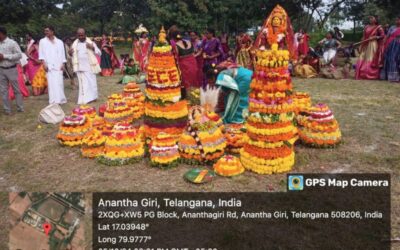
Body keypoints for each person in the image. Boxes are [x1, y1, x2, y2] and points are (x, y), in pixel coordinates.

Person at [69, 28, 101, 104]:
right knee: (83, 84)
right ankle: (85, 99)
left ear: (85, 35)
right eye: (79, 35)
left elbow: (99, 53)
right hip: (80, 67)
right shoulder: (75, 44)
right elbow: (72, 55)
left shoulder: (90, 43)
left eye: (82, 35)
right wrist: (70, 53)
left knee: (91, 82)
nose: (80, 37)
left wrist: (92, 47)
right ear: (77, 35)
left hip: (90, 66)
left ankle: (93, 97)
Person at [39, 25, 67, 104]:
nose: (46, 32)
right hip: (49, 65)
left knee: (59, 82)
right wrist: (44, 63)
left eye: (47, 31)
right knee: (51, 83)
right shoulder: (42, 41)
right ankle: (53, 101)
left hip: (58, 65)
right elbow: (41, 54)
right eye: (45, 31)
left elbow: (62, 54)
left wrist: (63, 64)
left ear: (52, 31)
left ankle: (61, 99)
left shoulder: (59, 42)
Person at [0, 26, 24, 115]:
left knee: (16, 89)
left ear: (2, 33)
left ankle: (20, 108)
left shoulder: (12, 43)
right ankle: (7, 110)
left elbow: (19, 55)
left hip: (11, 69)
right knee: (3, 91)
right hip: (1, 70)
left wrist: (5, 56)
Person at [170, 29, 200, 98]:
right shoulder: (189, 42)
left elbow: (176, 58)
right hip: (193, 63)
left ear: (174, 38)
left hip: (184, 65)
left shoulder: (176, 45)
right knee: (194, 80)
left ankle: (188, 98)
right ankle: (196, 96)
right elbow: (193, 53)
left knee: (186, 82)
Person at [355, 15, 385, 80]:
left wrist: (376, 37)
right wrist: (361, 44)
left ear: (376, 19)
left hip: (372, 45)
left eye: (372, 18)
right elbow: (363, 36)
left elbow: (383, 36)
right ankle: (360, 74)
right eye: (370, 18)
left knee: (369, 58)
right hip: (365, 44)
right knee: (361, 57)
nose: (370, 19)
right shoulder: (366, 27)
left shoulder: (378, 27)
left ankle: (368, 74)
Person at [380, 16, 400, 82]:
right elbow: (387, 36)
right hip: (390, 44)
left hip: (397, 45)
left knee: (394, 59)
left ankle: (395, 77)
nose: (396, 21)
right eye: (396, 20)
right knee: (388, 59)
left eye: (398, 20)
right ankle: (387, 76)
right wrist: (384, 42)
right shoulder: (392, 27)